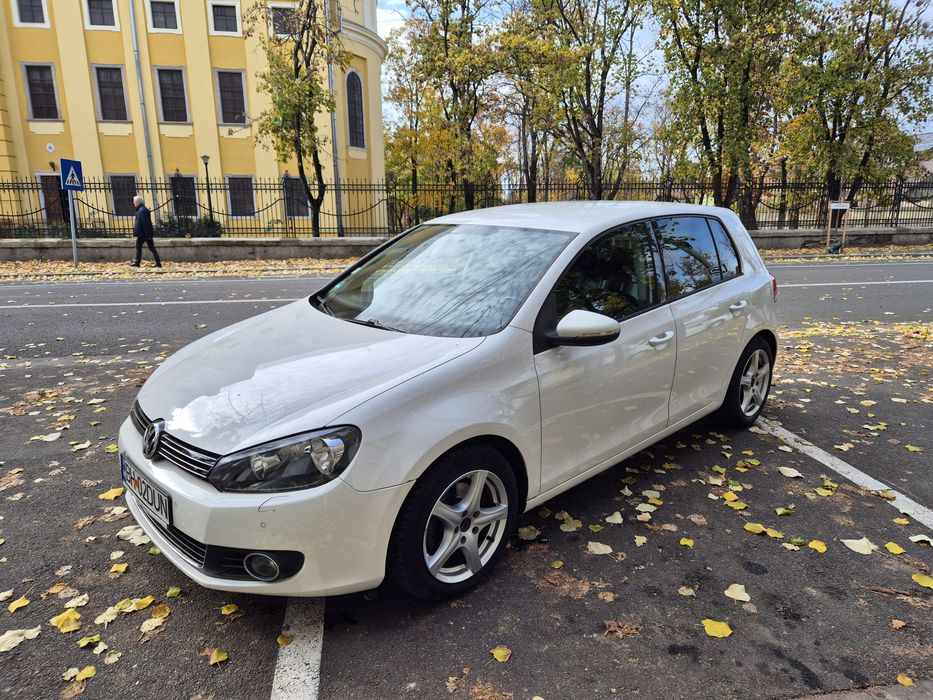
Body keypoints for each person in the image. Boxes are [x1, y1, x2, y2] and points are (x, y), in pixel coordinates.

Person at [130, 195, 162, 268]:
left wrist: (149, 235)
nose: (133, 202)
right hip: (144, 233)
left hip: (143, 234)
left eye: (134, 201)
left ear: (138, 202)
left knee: (139, 247)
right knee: (151, 248)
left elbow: (146, 224)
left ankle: (137, 263)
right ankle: (158, 263)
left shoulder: (142, 210)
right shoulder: (141, 209)